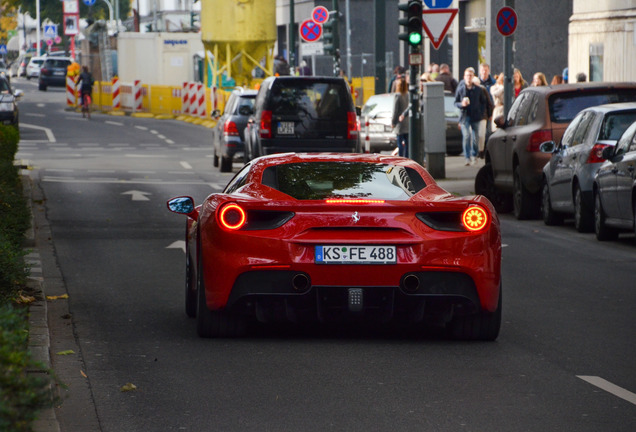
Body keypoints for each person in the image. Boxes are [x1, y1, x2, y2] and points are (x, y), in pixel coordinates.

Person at [455, 67, 487, 165]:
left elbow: (483, 102)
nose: (469, 77)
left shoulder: (478, 89)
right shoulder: (460, 89)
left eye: (470, 76)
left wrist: (481, 112)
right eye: (467, 75)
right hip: (465, 116)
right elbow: (456, 102)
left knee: (475, 137)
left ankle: (474, 155)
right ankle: (467, 157)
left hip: (476, 116)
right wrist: (461, 104)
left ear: (473, 77)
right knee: (466, 136)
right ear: (464, 77)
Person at [473, 77, 493, 159]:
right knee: (474, 135)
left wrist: (490, 114)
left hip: (482, 115)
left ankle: (481, 150)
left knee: (481, 134)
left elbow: (488, 102)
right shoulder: (469, 90)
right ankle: (475, 151)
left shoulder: (483, 90)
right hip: (473, 116)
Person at [392, 76, 410, 158]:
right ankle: (406, 157)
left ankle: (401, 157)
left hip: (399, 123)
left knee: (400, 143)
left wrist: (393, 122)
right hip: (407, 122)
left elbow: (395, 111)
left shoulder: (397, 95)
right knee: (407, 143)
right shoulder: (408, 95)